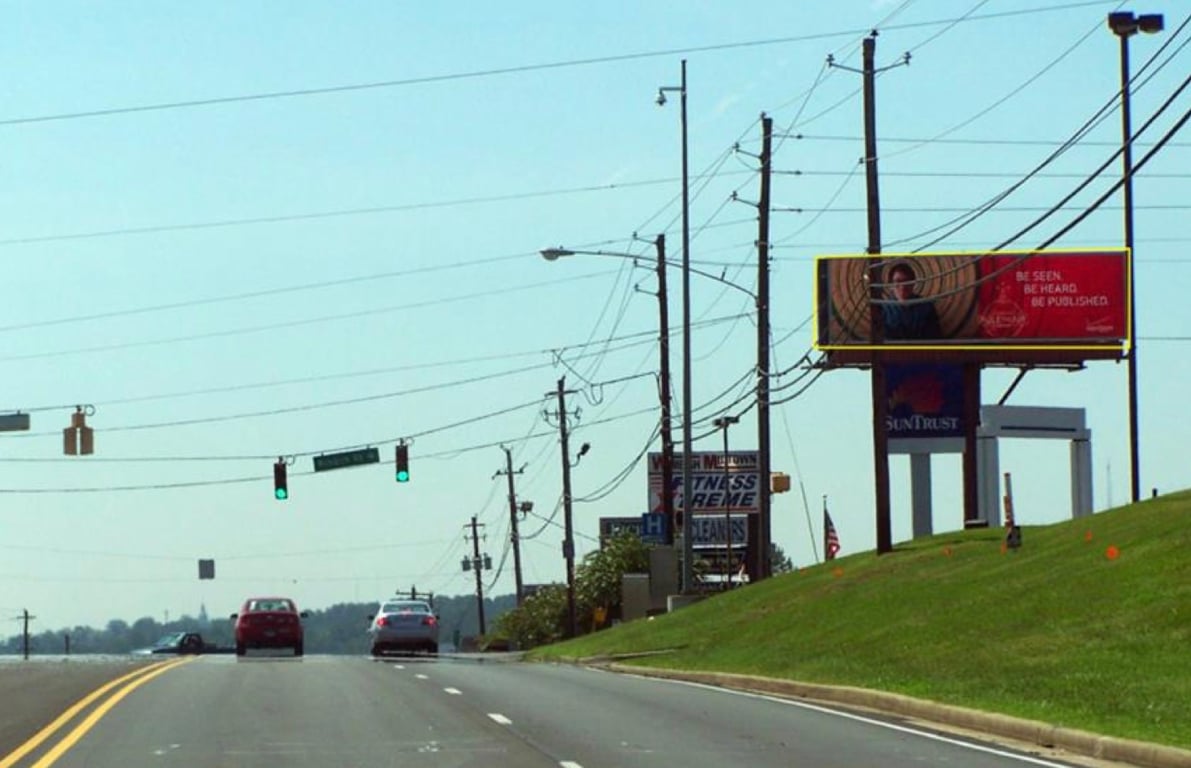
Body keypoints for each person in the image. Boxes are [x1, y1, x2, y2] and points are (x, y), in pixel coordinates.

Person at [882, 262, 942, 341]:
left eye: (907, 281)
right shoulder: (883, 309)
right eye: (898, 281)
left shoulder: (927, 307)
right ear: (891, 285)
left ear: (913, 283)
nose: (903, 287)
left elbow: (935, 338)